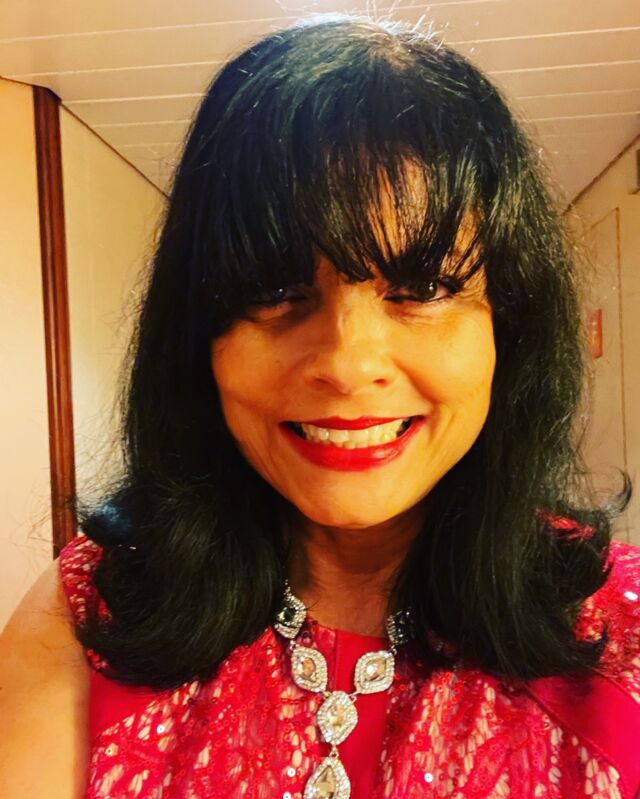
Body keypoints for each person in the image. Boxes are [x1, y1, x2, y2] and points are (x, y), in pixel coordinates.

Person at [1, 12, 638, 799]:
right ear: (199, 334)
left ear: (508, 325)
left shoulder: (621, 637)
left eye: (423, 287)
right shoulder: (87, 614)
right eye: (275, 289)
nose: (346, 363)